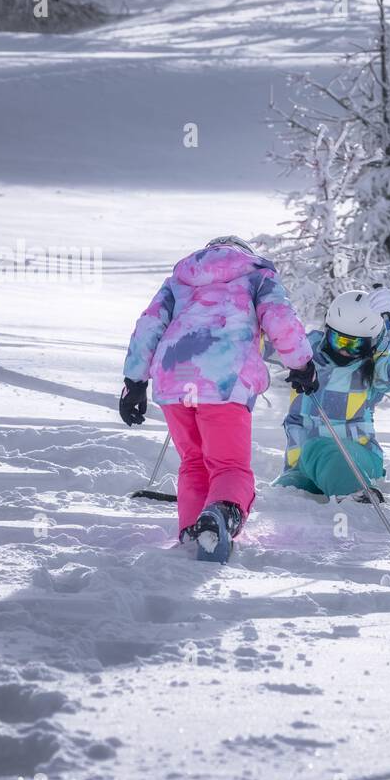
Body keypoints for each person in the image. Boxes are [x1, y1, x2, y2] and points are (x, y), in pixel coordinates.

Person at [119, 235, 319, 561]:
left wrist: (134, 381)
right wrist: (301, 362)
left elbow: (149, 324)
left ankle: (191, 534)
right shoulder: (256, 274)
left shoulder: (181, 278)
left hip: (174, 378)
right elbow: (279, 315)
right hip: (224, 380)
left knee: (194, 461)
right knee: (229, 465)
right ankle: (220, 519)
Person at [276, 288, 390, 502]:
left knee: (321, 446)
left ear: (371, 342)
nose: (345, 350)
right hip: (302, 465)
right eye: (338, 340)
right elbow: (265, 341)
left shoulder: (374, 366)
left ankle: (357, 495)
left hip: (357, 459)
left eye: (356, 344)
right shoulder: (305, 352)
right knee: (284, 490)